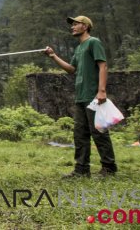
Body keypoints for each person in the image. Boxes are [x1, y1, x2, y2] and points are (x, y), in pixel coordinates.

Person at [44, 15, 118, 178]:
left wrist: (102, 90)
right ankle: (81, 170)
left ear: (85, 26)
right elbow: (71, 69)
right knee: (80, 134)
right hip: (81, 96)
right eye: (73, 24)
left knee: (98, 132)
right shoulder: (79, 48)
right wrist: (53, 56)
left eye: (76, 24)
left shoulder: (94, 42)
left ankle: (109, 167)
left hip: (93, 95)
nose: (73, 27)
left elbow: (103, 65)